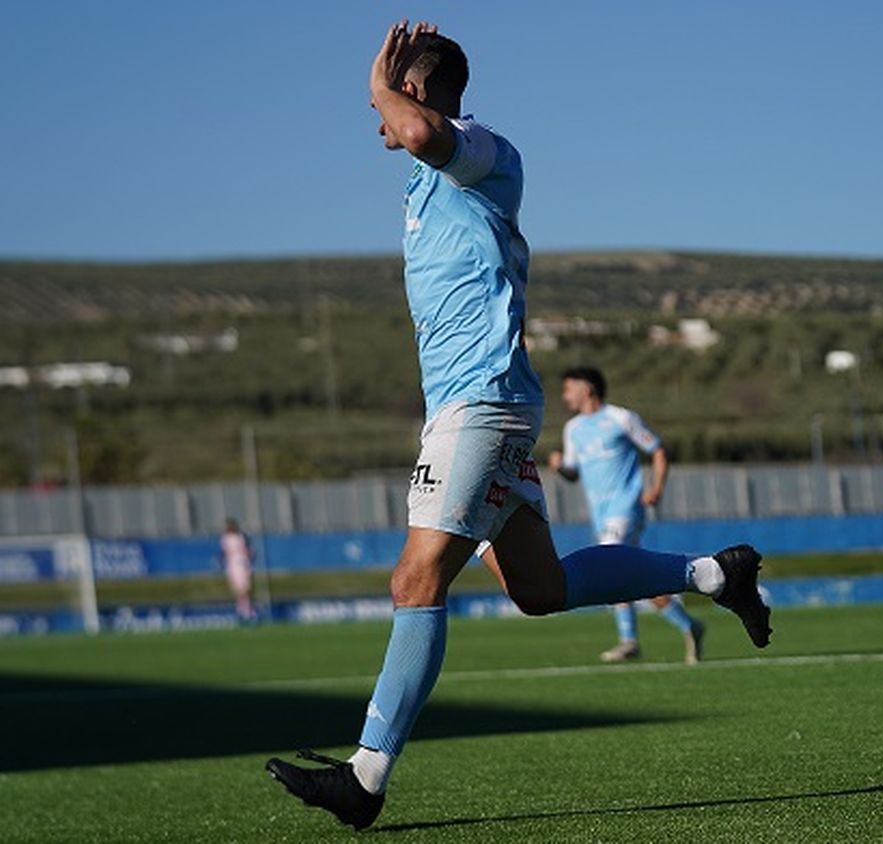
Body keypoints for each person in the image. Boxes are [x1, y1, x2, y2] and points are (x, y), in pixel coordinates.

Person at [265, 22, 771, 831]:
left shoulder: (479, 149)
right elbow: (413, 139)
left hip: (483, 401)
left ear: (420, 90)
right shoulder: (431, 178)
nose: (381, 117)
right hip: (478, 404)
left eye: (391, 96)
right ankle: (713, 574)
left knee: (414, 580)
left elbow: (419, 129)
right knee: (540, 589)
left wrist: (378, 79)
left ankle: (366, 775)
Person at [548, 366, 706, 664]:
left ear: (588, 388)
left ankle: (629, 640)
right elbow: (573, 473)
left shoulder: (621, 418)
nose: (564, 396)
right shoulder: (573, 429)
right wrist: (560, 467)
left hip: (627, 508)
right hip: (600, 515)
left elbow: (657, 451)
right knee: (633, 576)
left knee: (611, 563)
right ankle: (688, 625)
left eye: (569, 389)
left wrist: (656, 487)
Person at [218, 518, 256, 623]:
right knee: (238, 590)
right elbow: (224, 552)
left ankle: (247, 611)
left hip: (243, 564)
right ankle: (243, 611)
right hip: (233, 566)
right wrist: (221, 561)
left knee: (246, 589)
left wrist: (250, 555)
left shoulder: (241, 536)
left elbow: (248, 550)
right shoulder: (225, 538)